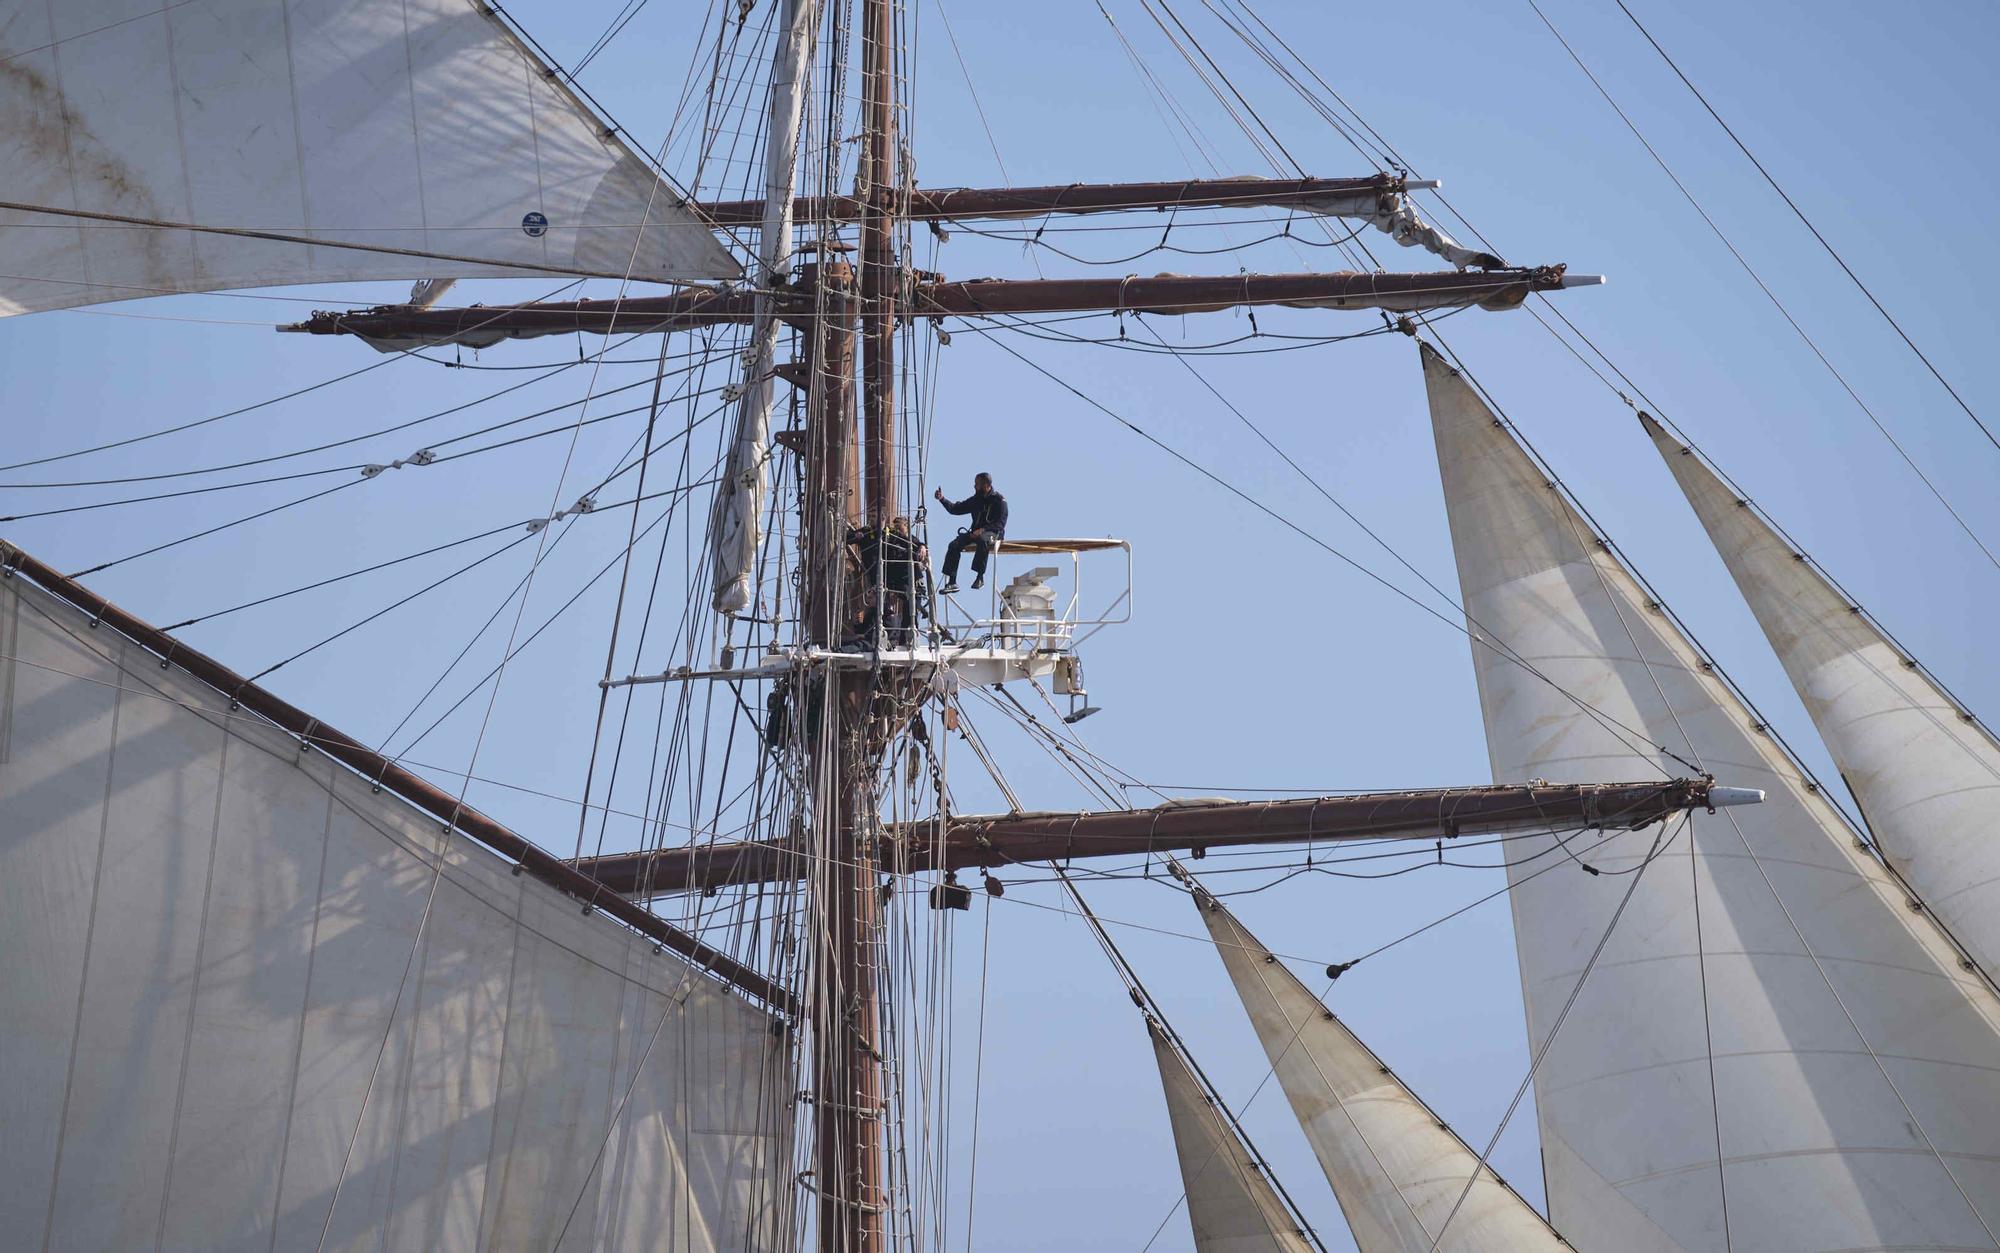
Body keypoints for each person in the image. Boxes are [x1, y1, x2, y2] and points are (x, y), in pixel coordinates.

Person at [849, 515, 926, 646]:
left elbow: (913, 542)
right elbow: (847, 537)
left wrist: (922, 546)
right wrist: (855, 537)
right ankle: (870, 632)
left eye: (900, 527)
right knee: (878, 603)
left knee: (909, 603)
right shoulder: (868, 531)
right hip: (880, 574)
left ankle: (903, 638)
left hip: (899, 577)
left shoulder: (896, 536)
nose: (898, 530)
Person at [933, 472, 1007, 593]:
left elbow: (1000, 523)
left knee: (983, 540)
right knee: (954, 545)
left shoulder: (999, 501)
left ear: (986, 484)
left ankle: (980, 577)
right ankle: (952, 582)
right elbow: (956, 509)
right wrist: (942, 499)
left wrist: (983, 529)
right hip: (975, 533)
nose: (974, 486)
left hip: (993, 532)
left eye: (977, 484)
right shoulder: (976, 500)